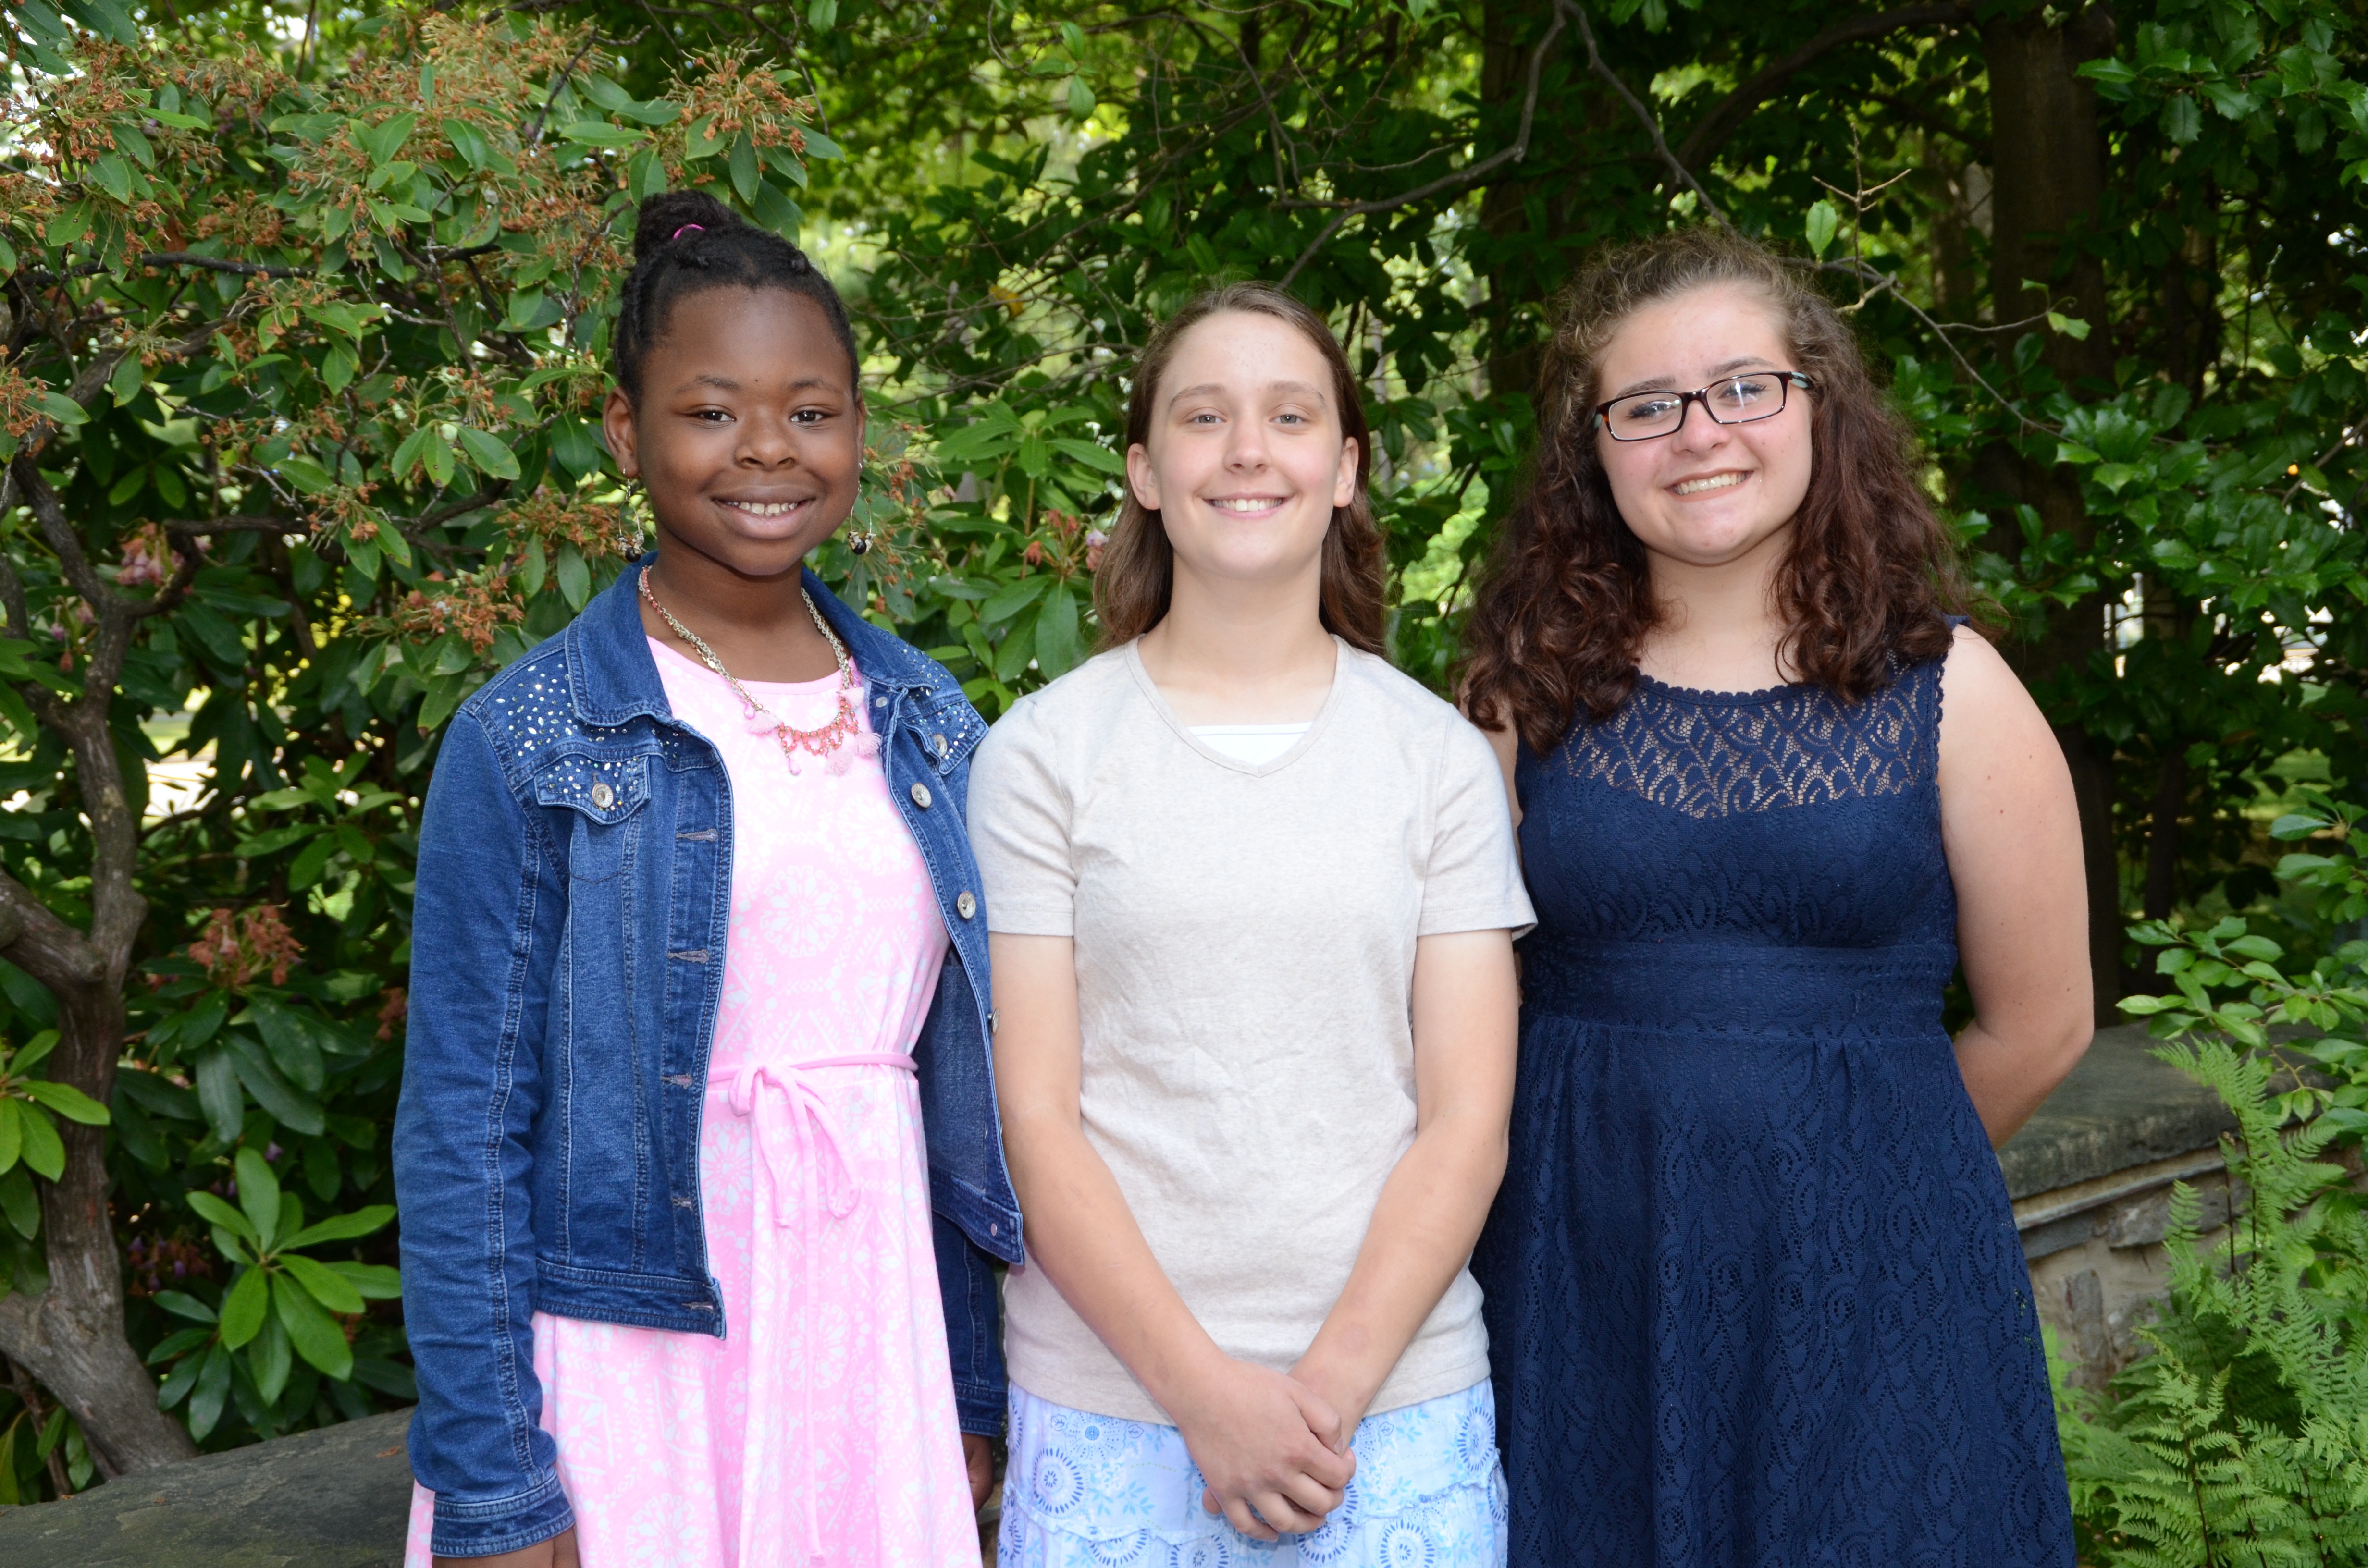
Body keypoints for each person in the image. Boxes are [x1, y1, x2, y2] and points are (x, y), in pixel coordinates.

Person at [394, 189, 1020, 1568]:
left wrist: (972, 1388)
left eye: (811, 410)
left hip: (871, 1342)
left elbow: (964, 1094)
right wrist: (497, 1478)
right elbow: (462, 1128)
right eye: (711, 409)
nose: (766, 452)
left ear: (859, 430)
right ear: (627, 430)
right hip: (630, 1354)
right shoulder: (532, 737)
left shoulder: (931, 723)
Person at [1460, 225, 2091, 1567]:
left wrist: (1849, 1175)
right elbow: (1440, 1012)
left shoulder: (1954, 690)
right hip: (1586, 1279)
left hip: (1884, 1294)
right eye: (1647, 408)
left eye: (1743, 387)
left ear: (1819, 408)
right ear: (1594, 450)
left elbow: (2043, 1025)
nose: (1701, 435)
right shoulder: (1518, 697)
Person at [970, 282, 1531, 1568]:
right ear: (1146, 472)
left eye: (1289, 417)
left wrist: (1315, 1399)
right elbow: (1036, 1120)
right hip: (1114, 1403)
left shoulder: (1435, 761)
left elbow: (1465, 1120)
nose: (1246, 451)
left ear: (1342, 470)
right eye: (1203, 416)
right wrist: (1208, 1399)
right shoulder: (1043, 758)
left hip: (1391, 1410)